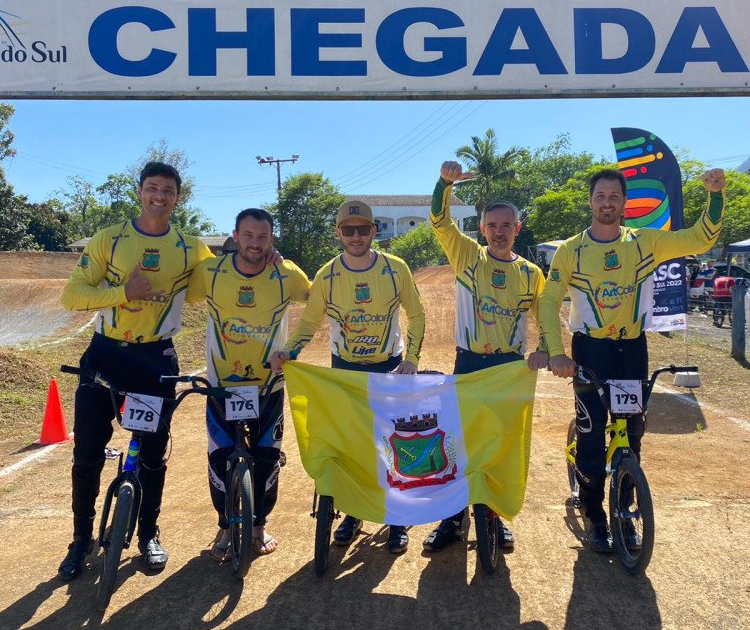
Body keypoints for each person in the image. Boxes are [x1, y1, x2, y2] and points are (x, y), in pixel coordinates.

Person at [539, 167, 726, 553]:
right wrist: (556, 352)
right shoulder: (570, 250)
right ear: (590, 202)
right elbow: (548, 300)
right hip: (590, 350)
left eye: (614, 196)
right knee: (591, 438)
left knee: (631, 433)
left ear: (624, 203)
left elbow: (700, 239)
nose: (607, 203)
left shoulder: (647, 242)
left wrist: (716, 196)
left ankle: (625, 513)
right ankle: (595, 518)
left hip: (631, 349)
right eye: (600, 196)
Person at [58, 161, 214, 581]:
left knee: (151, 456)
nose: (158, 196)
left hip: (154, 362)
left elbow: (226, 277)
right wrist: (122, 292)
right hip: (106, 357)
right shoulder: (109, 239)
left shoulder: (191, 246)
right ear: (140, 192)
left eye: (167, 190)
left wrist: (264, 251)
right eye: (151, 188)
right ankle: (79, 540)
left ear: (178, 198)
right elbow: (72, 296)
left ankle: (148, 534)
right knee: (87, 454)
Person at [270, 200, 425, 554]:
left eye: (363, 229)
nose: (356, 236)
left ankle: (397, 518)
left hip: (389, 367)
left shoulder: (395, 268)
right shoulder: (327, 275)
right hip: (347, 370)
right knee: (352, 445)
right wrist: (290, 352)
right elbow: (309, 322)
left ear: (375, 231)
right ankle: (354, 513)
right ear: (338, 233)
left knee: (394, 444)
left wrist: (412, 358)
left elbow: (416, 315)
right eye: (348, 230)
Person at [422, 160, 549, 553]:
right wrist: (444, 184)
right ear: (482, 229)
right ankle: (453, 517)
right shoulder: (467, 257)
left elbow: (544, 317)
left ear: (517, 229)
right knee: (458, 444)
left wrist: (545, 348)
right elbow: (440, 222)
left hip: (509, 369)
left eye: (506, 225)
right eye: (491, 225)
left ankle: (495, 514)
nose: (498, 232)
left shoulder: (530, 273)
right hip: (470, 364)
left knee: (501, 446)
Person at [188, 208, 310, 560]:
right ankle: (224, 528)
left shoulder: (286, 273)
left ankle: (259, 526)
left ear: (271, 238)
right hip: (221, 386)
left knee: (267, 459)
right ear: (235, 235)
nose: (255, 243)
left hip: (268, 385)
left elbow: (317, 302)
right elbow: (179, 291)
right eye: (248, 235)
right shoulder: (210, 272)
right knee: (220, 458)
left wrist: (294, 349)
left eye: (262, 236)